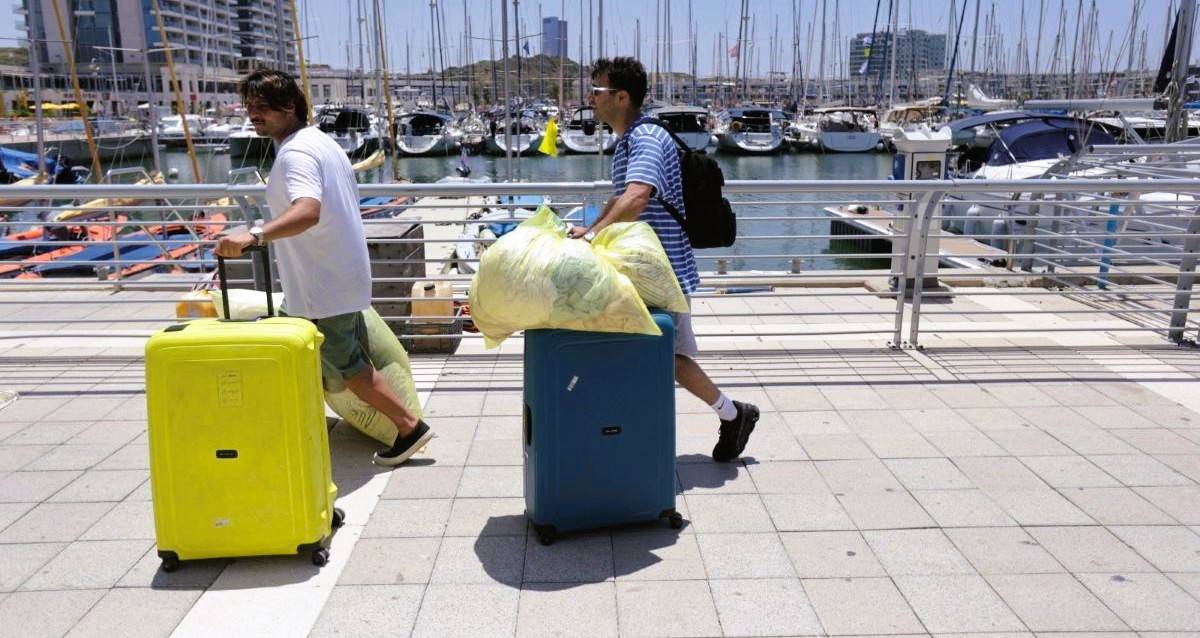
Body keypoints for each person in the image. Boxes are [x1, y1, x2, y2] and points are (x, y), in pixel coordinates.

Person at [214, 69, 432, 466]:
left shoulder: (295, 154)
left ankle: (409, 427)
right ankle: (290, 424)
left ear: (290, 106)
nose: (253, 114)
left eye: (262, 106)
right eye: (249, 106)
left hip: (322, 288)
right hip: (328, 279)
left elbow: (308, 211)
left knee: (348, 367)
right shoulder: (321, 142)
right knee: (289, 349)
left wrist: (254, 235)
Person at [570, 57, 759, 462]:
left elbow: (638, 196)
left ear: (622, 97)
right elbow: (621, 197)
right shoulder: (630, 140)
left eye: (597, 90)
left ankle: (722, 417)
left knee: (660, 356)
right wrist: (588, 231)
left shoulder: (647, 138)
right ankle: (731, 414)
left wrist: (594, 236)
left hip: (661, 273)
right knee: (665, 357)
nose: (590, 98)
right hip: (646, 271)